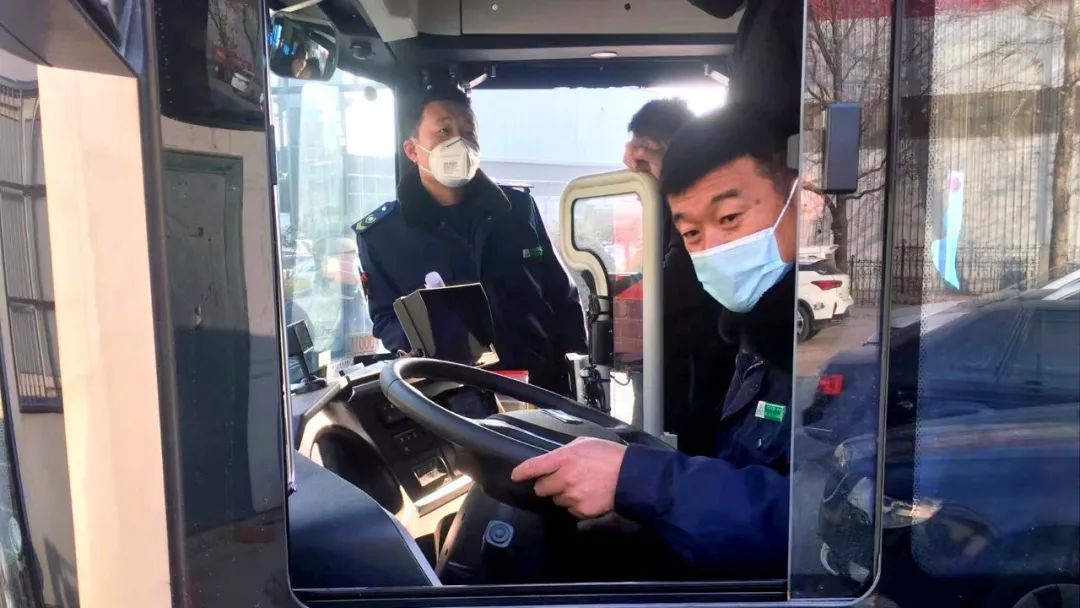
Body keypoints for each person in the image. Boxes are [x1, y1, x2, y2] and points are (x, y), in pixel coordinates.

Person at [511, 103, 797, 577]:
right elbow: (739, 481)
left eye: (730, 218)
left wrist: (638, 481)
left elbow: (820, 524)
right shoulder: (759, 342)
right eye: (691, 233)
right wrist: (641, 500)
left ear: (799, 195)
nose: (714, 249)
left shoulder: (841, 353)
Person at [354, 86, 587, 395]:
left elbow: (561, 295)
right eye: (444, 131)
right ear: (412, 151)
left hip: (539, 387)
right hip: (448, 397)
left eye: (468, 132)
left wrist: (580, 375)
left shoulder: (516, 209)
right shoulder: (382, 235)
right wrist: (426, 345)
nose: (459, 142)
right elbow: (385, 318)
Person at [621, 98, 737, 456]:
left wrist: (621, 301)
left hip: (695, 372)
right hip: (667, 364)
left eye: (648, 158)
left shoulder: (701, 201)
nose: (639, 172)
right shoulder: (663, 202)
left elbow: (678, 281)